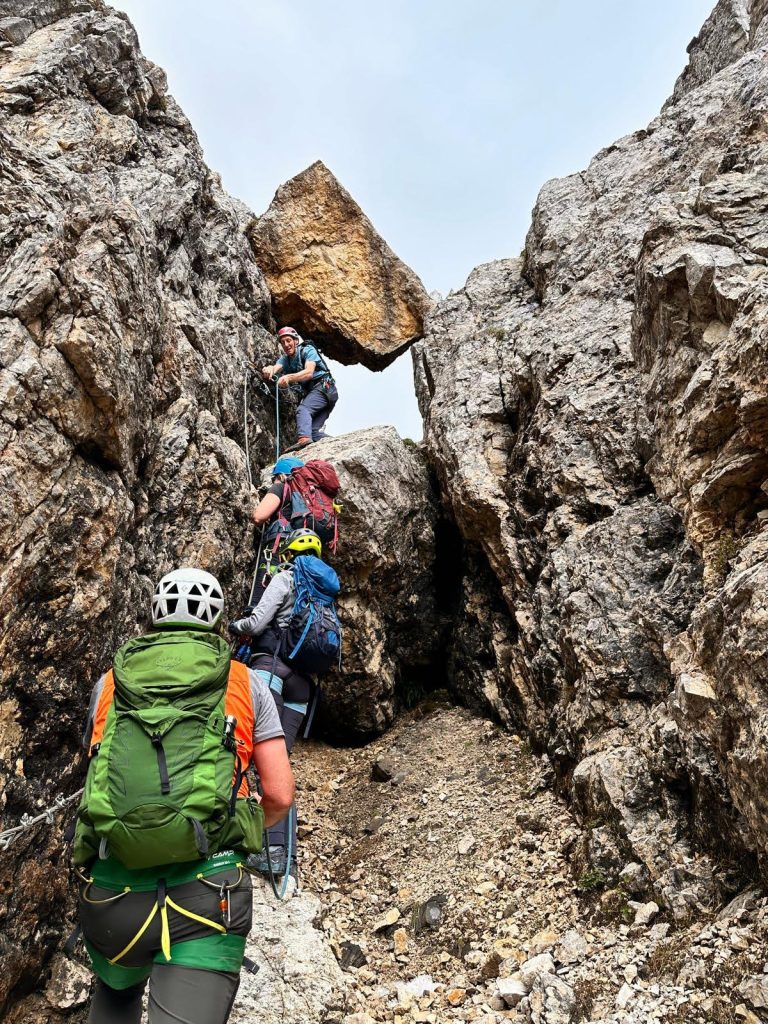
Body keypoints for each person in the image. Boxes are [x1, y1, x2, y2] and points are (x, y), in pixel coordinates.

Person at [74, 567, 295, 1024]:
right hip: (207, 894)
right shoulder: (245, 682)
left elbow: (101, 777)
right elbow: (278, 793)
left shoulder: (110, 683)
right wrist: (242, 825)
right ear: (216, 619)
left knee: (114, 1000)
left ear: (155, 614)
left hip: (114, 895)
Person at [228, 530, 337, 877]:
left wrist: (235, 625)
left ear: (288, 554)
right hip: (302, 686)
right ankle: (282, 855)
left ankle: (254, 845)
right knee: (280, 766)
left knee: (257, 762)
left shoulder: (286, 578)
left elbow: (257, 622)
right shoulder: (323, 594)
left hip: (271, 670)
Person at [261, 326, 338, 448]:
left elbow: (309, 372)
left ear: (296, 341)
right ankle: (338, 444)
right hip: (322, 395)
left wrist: (288, 377)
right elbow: (276, 367)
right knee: (313, 432)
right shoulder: (285, 360)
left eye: (288, 340)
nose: (286, 345)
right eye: (283, 342)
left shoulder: (307, 350)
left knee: (303, 410)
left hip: (324, 387)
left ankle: (304, 440)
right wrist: (269, 369)